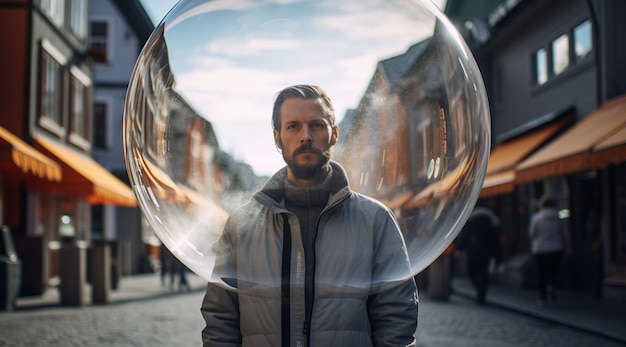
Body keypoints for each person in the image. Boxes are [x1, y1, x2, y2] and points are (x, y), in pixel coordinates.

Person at [201, 85, 418, 347]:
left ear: (334, 134)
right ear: (277, 138)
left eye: (316, 125)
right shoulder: (241, 225)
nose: (305, 136)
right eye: (293, 126)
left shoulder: (375, 220)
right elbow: (220, 320)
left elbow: (396, 317)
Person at [455, 205, 502, 304]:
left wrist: (459, 248)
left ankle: (480, 290)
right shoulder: (492, 224)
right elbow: (495, 242)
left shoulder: (471, 222)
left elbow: (465, 235)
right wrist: (498, 256)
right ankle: (482, 293)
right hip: (486, 252)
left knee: (472, 272)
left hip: (473, 252)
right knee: (484, 274)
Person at [528, 196, 570, 305]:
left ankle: (542, 297)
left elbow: (532, 234)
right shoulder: (559, 218)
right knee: (554, 272)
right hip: (556, 248)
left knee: (541, 273)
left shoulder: (536, 218)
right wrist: (568, 248)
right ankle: (552, 287)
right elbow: (564, 234)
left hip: (540, 249)